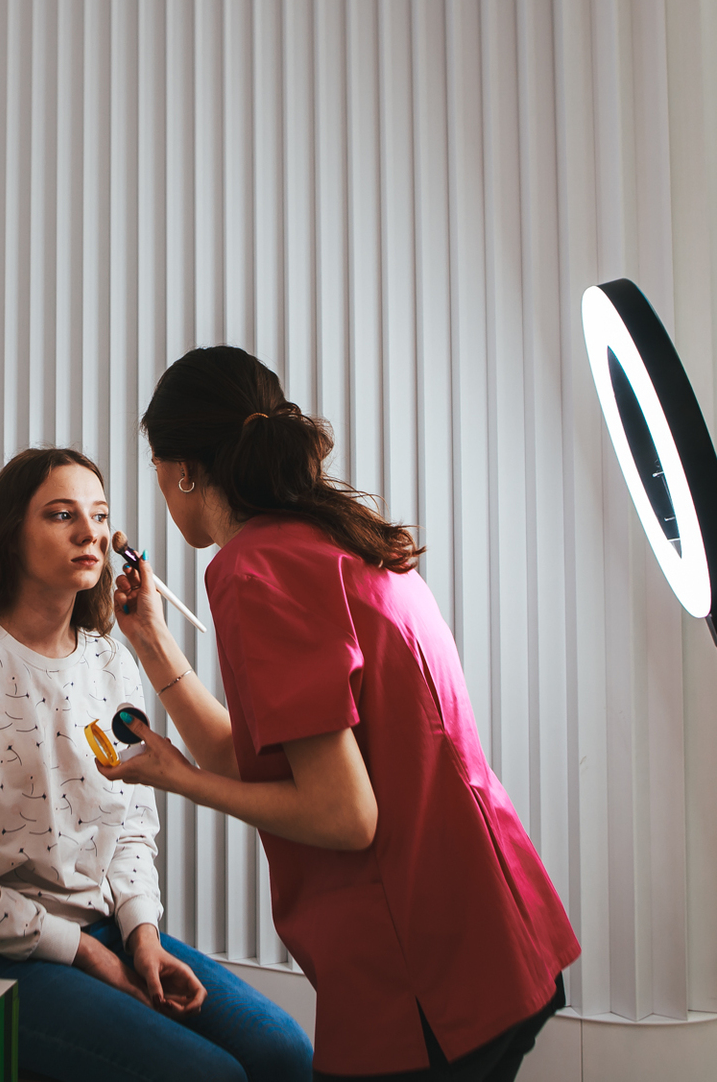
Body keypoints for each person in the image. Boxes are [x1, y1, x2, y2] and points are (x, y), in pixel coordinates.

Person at [103, 348, 579, 1079]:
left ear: (185, 470)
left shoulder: (257, 570)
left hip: (425, 968)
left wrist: (177, 778)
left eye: (156, 469)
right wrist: (153, 643)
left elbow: (345, 815)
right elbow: (253, 761)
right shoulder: (335, 536)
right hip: (494, 927)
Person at [0, 448, 312, 1082]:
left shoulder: (111, 662)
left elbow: (131, 828)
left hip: (106, 929)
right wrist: (85, 954)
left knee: (283, 1053)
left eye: (99, 515)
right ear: (10, 535)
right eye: (62, 515)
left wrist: (141, 933)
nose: (90, 533)